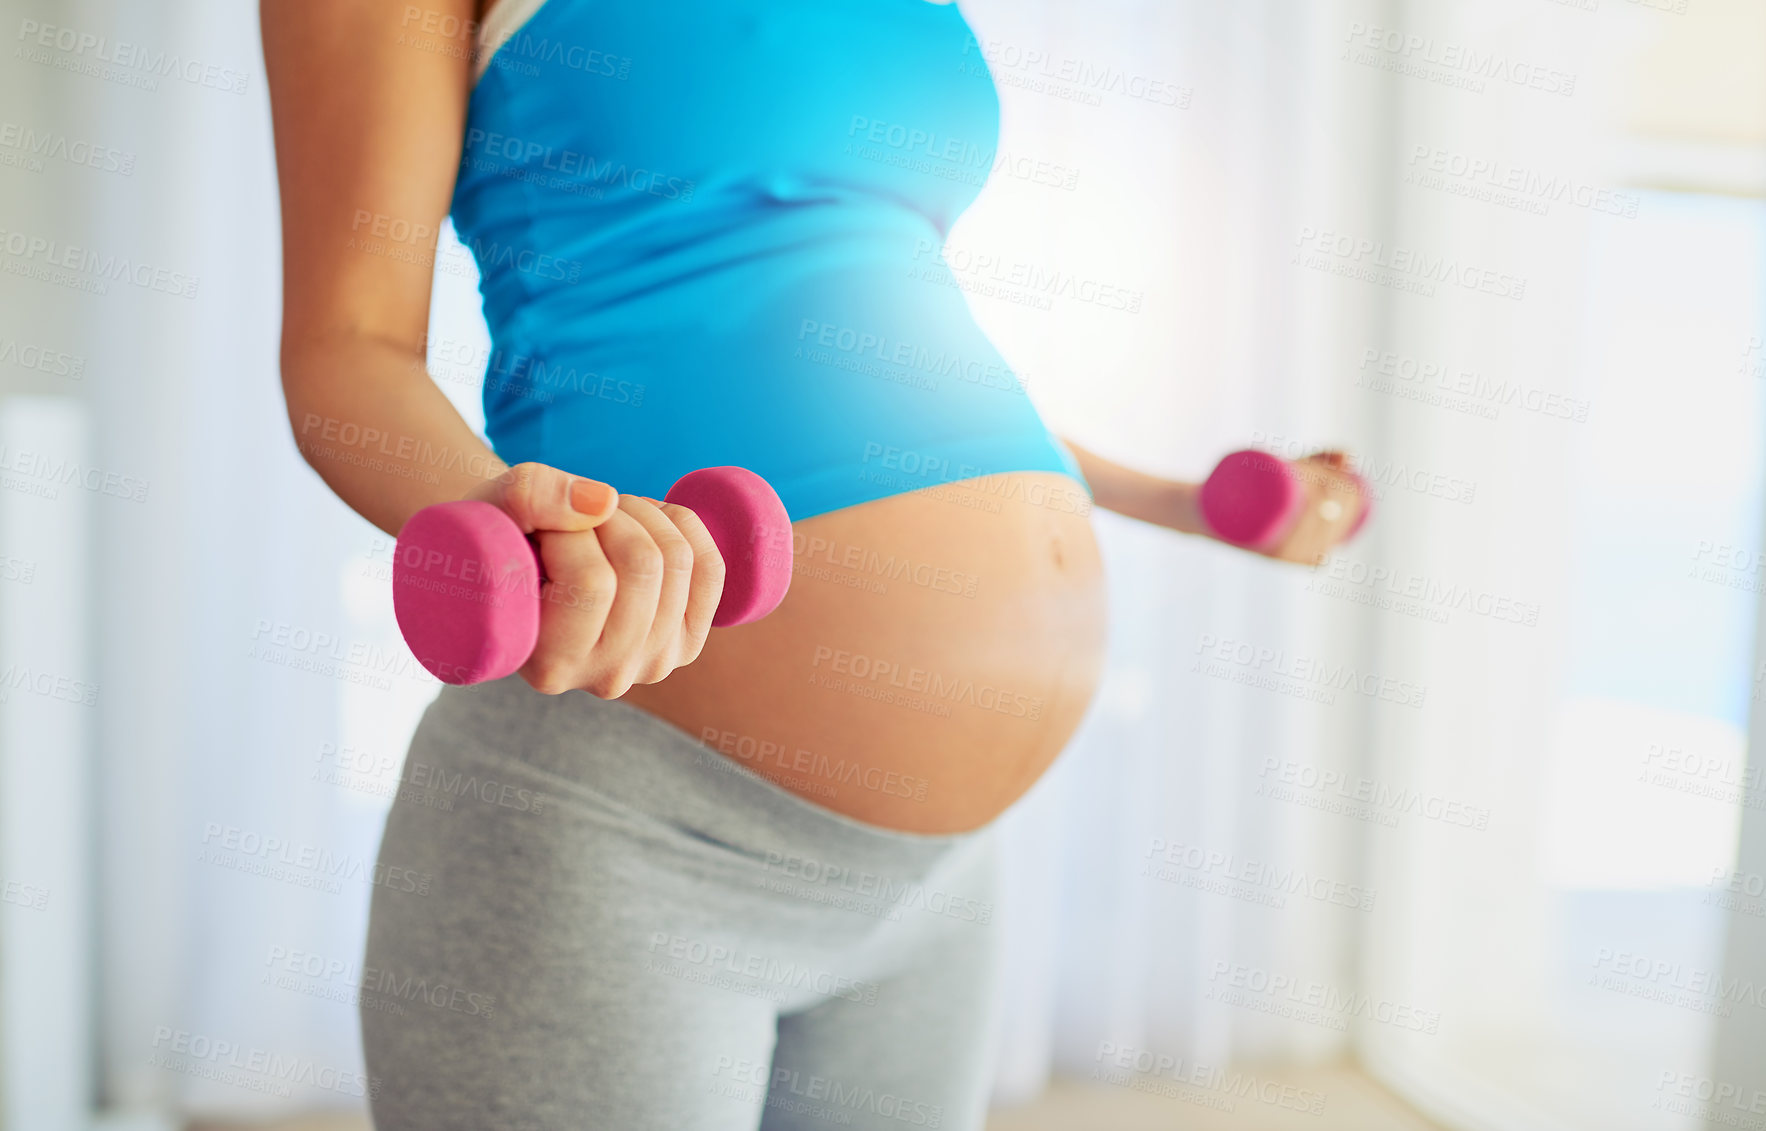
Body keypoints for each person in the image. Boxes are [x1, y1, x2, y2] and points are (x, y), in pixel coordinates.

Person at [261, 1, 1354, 1126]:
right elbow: (348, 349)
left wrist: (1177, 505)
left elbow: (871, 338)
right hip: (623, 825)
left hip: (937, 881)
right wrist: (517, 518)